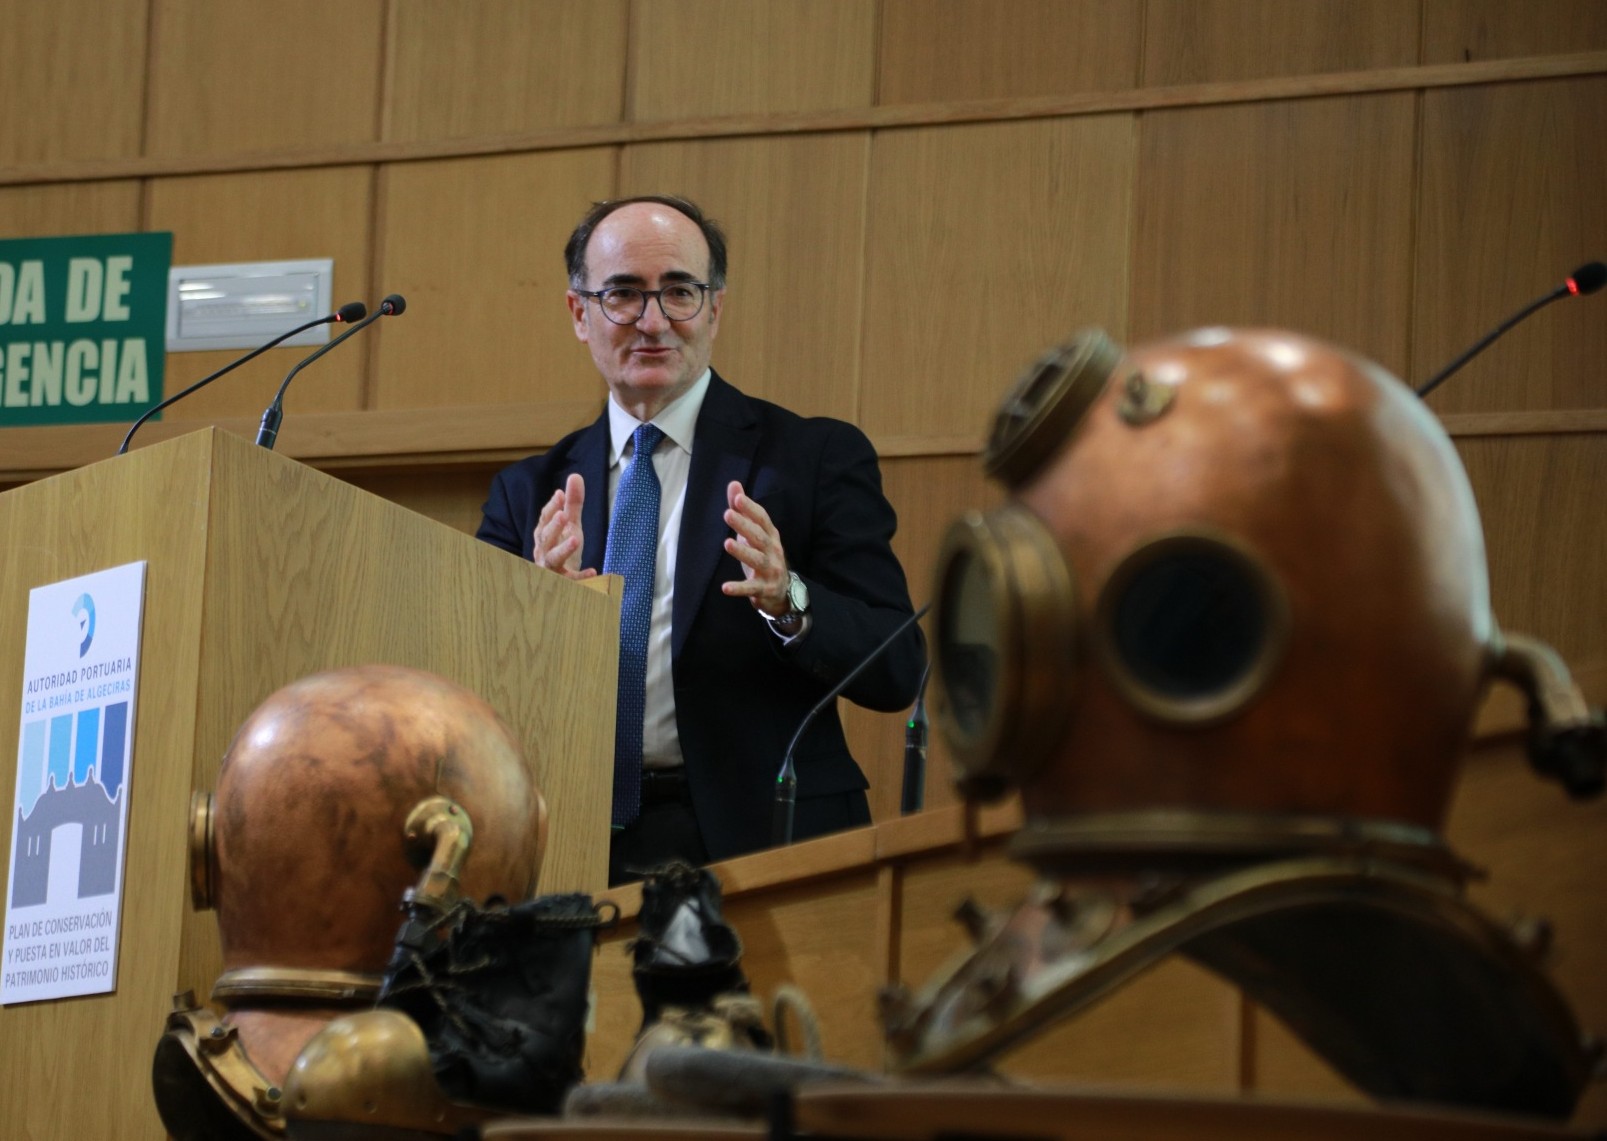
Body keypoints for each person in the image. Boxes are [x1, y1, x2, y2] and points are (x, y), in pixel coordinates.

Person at [477, 195, 924, 884]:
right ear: (579, 313)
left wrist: (788, 599)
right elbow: (475, 695)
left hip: (765, 837)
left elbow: (897, 668)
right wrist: (540, 623)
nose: (653, 321)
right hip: (575, 843)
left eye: (680, 292)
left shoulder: (811, 458)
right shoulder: (525, 493)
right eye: (624, 294)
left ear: (715, 308)